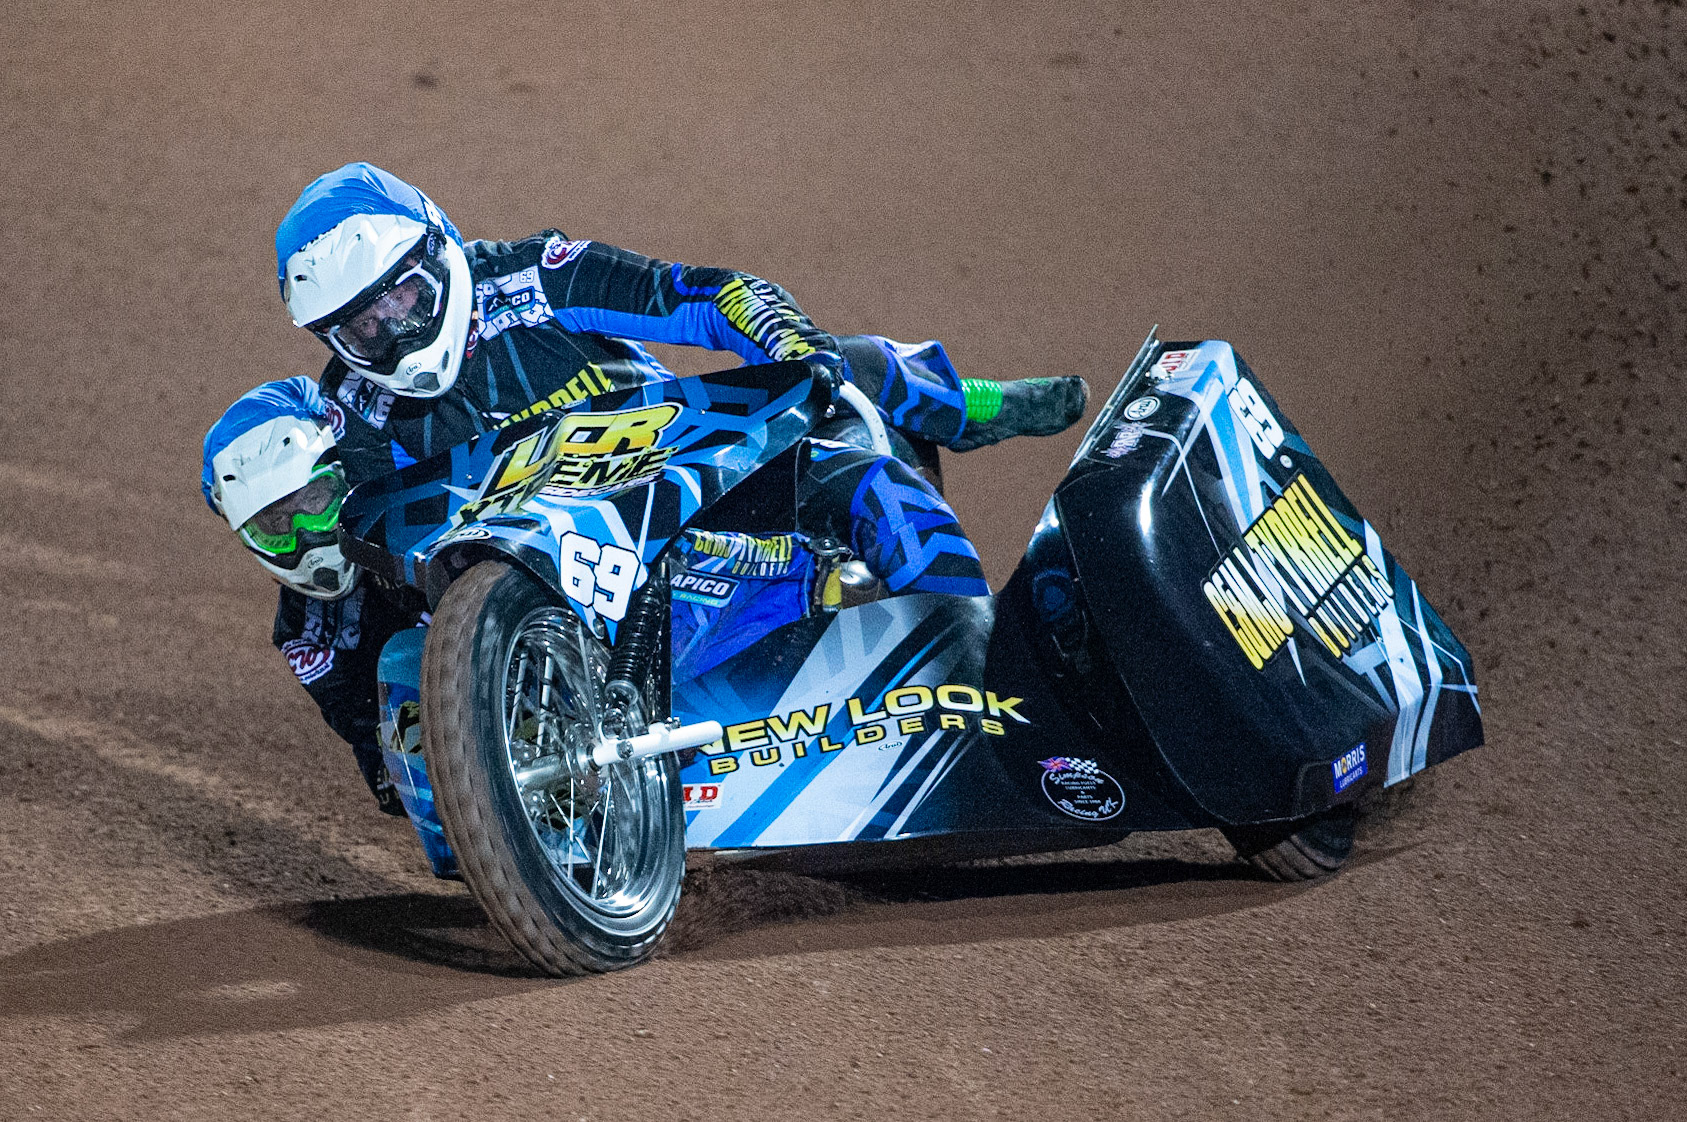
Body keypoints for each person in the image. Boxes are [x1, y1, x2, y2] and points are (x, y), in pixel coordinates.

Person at [274, 162, 1087, 596]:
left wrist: (782, 334)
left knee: (852, 409)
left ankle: (963, 414)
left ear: (438, 250)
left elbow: (695, 295)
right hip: (565, 577)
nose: (391, 331)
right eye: (361, 325)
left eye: (404, 297)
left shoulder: (531, 275)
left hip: (704, 484)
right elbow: (366, 554)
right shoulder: (355, 414)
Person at [202, 377, 421, 816]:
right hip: (459, 725)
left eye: (315, 499)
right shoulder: (308, 636)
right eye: (276, 526)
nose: (304, 534)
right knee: (406, 785)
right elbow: (382, 751)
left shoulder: (412, 466)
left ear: (341, 473)